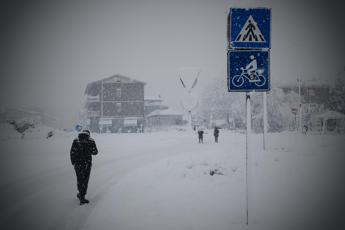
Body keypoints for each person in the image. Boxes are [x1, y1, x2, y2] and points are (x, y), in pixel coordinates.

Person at [70, 130, 98, 205]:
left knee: (79, 179)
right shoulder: (91, 141)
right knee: (85, 180)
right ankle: (82, 196)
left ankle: (80, 194)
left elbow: (72, 152)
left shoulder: (76, 141)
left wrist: (74, 163)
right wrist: (89, 149)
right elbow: (95, 152)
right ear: (89, 134)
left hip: (78, 164)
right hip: (87, 163)